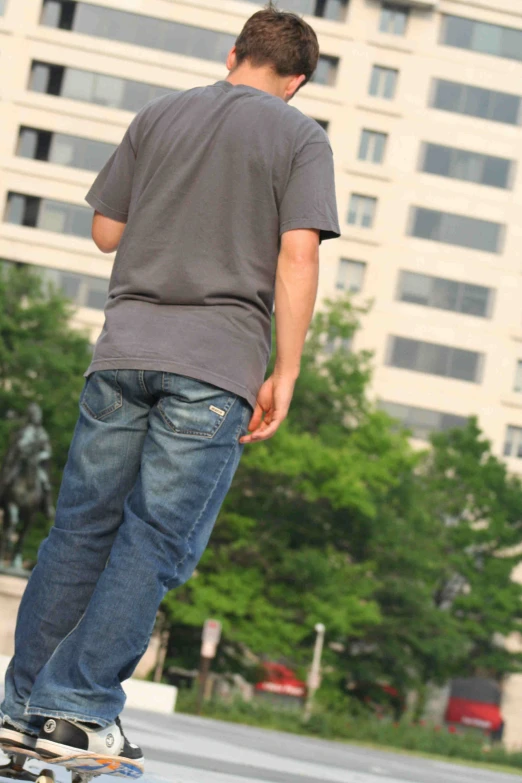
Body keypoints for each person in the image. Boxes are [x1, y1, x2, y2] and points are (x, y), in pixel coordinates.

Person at [0, 3, 339, 768]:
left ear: (234, 55)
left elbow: (106, 231)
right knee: (153, 539)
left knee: (80, 528)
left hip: (122, 354)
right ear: (298, 80)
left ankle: (24, 703)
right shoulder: (299, 136)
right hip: (213, 367)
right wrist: (285, 370)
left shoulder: (160, 115)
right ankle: (79, 706)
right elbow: (297, 257)